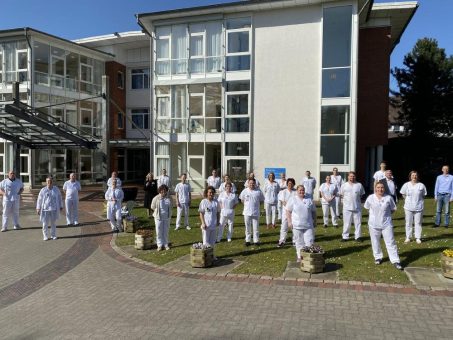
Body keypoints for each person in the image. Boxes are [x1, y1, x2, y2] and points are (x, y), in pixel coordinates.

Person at [364, 182, 403, 270]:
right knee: (375, 241)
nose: (380, 189)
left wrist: (385, 215)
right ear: (375, 188)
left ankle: (395, 260)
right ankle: (378, 257)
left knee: (391, 242)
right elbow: (367, 208)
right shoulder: (370, 197)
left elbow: (393, 209)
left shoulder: (388, 198)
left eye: (382, 187)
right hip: (373, 224)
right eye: (378, 187)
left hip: (386, 224)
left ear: (384, 189)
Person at [286, 185, 317, 262]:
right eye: (300, 190)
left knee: (309, 241)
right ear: (297, 191)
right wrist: (289, 222)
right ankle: (300, 257)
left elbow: (314, 211)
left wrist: (315, 221)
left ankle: (308, 256)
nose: (301, 192)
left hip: (308, 225)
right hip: (297, 225)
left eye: (303, 190)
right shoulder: (293, 199)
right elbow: (288, 211)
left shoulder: (309, 199)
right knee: (299, 242)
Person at [400, 171, 427, 244]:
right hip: (408, 207)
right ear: (410, 176)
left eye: (415, 175)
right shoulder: (406, 185)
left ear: (417, 176)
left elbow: (423, 195)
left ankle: (418, 237)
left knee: (418, 223)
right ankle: (408, 237)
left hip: (419, 207)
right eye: (413, 175)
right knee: (408, 223)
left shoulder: (421, 185)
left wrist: (418, 201)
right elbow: (403, 194)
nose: (414, 177)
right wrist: (408, 201)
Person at [340, 171, 365, 242]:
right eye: (350, 176)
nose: (352, 177)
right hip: (347, 207)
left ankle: (358, 237)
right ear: (348, 177)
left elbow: (362, 195)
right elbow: (341, 195)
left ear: (355, 177)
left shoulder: (359, 185)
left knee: (358, 223)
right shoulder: (344, 185)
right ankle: (345, 236)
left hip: (357, 207)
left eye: (353, 176)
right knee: (346, 223)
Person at [36, 176, 64, 241]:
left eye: (51, 181)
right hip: (45, 209)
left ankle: (53, 235)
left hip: (54, 209)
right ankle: (45, 236)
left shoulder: (56, 189)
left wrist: (61, 205)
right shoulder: (43, 190)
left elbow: (60, 198)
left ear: (52, 182)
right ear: (46, 182)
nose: (49, 182)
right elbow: (39, 199)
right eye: (48, 181)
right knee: (45, 223)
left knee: (53, 223)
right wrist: (38, 208)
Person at [239, 178, 264, 246]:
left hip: (255, 212)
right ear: (248, 183)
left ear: (255, 184)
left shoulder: (258, 191)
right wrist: (247, 205)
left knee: (256, 227)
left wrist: (256, 206)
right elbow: (242, 200)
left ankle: (256, 241)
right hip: (247, 212)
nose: (251, 184)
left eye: (253, 183)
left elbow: (261, 201)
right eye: (250, 183)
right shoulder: (244, 191)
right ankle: (248, 241)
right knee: (247, 227)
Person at [199, 186, 220, 255]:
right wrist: (203, 223)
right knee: (205, 242)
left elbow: (218, 212)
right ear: (207, 193)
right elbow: (201, 213)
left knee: (212, 242)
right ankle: (205, 257)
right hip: (206, 225)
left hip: (213, 225)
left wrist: (218, 221)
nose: (211, 194)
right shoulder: (204, 201)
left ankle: (212, 256)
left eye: (212, 192)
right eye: (210, 192)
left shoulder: (216, 202)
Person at [151, 184, 172, 251]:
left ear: (166, 191)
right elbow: (152, 207)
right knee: (159, 231)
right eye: (161, 191)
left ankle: (166, 244)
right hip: (158, 217)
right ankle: (159, 245)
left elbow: (172, 205)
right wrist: (157, 212)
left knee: (166, 231)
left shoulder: (169, 198)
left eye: (164, 191)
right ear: (159, 191)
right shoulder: (156, 198)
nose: (163, 192)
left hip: (167, 217)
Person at [277, 178, 296, 247]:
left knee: (294, 226)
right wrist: (288, 207)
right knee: (284, 227)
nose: (290, 185)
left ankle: (295, 241)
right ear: (287, 184)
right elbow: (283, 201)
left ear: (293, 184)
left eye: (291, 184)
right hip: (285, 211)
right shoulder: (283, 192)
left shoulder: (295, 192)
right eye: (289, 183)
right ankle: (282, 241)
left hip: (294, 212)